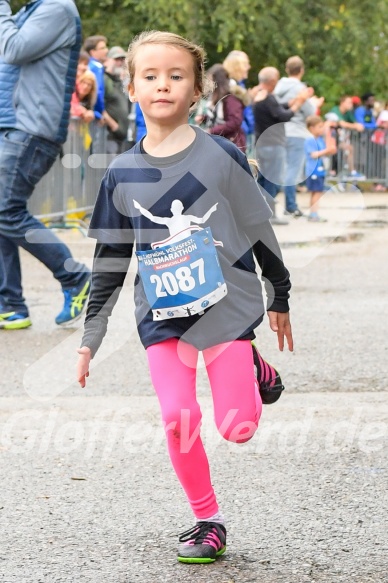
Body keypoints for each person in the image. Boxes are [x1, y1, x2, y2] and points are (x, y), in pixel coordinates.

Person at [77, 30, 293, 564]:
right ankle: (206, 520)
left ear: (196, 90)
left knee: (237, 428)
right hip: (162, 313)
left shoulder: (221, 155)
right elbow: (110, 261)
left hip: (226, 309)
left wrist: (279, 293)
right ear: (131, 88)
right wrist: (90, 336)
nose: (163, 85)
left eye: (176, 76)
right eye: (150, 76)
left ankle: (253, 369)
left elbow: (258, 226)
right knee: (179, 417)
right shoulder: (121, 173)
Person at [0, 0, 91, 330]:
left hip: (31, 130)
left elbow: (12, 48)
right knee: (2, 214)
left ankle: (74, 276)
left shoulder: (57, 8)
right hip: (15, 127)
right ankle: (11, 306)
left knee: (6, 212)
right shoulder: (32, 11)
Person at [252, 66, 312, 224]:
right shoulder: (269, 98)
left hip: (261, 144)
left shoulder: (259, 97)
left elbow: (277, 107)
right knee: (274, 181)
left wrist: (294, 101)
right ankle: (270, 215)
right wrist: (298, 105)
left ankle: (258, 212)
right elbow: (283, 115)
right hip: (274, 145)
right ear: (272, 81)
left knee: (263, 181)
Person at [274, 55, 324, 217]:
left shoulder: (277, 87)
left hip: (279, 131)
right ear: (301, 71)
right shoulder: (300, 89)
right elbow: (309, 112)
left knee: (280, 169)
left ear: (287, 70)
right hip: (296, 132)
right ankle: (291, 205)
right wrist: (315, 104)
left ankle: (277, 204)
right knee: (292, 171)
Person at [202, 63, 249, 151]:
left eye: (211, 79)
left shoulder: (231, 99)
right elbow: (216, 117)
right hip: (219, 142)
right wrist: (203, 118)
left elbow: (234, 122)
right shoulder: (217, 98)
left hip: (230, 144)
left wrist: (211, 131)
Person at [304, 115, 337, 222]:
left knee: (317, 192)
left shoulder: (319, 139)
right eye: (319, 127)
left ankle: (314, 213)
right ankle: (313, 214)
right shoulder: (310, 139)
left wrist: (329, 149)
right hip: (314, 171)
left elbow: (326, 150)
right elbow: (313, 154)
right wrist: (327, 151)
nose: (321, 129)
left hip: (320, 170)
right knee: (316, 192)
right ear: (311, 128)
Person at [103, 46, 130, 155]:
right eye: (116, 59)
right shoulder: (104, 79)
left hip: (121, 136)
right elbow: (98, 104)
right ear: (108, 60)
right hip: (109, 135)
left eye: (122, 60)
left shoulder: (119, 81)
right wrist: (113, 125)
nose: (119, 63)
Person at [329, 96, 365, 180]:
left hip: (338, 140)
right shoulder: (335, 110)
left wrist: (358, 125)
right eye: (349, 102)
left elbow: (355, 122)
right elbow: (342, 124)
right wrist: (355, 126)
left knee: (349, 148)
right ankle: (332, 172)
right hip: (328, 139)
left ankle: (351, 171)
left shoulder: (348, 112)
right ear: (342, 103)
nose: (351, 104)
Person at [83, 35, 109, 122]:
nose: (106, 50)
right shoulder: (96, 66)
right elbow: (98, 91)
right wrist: (100, 112)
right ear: (92, 52)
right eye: (102, 48)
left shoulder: (87, 65)